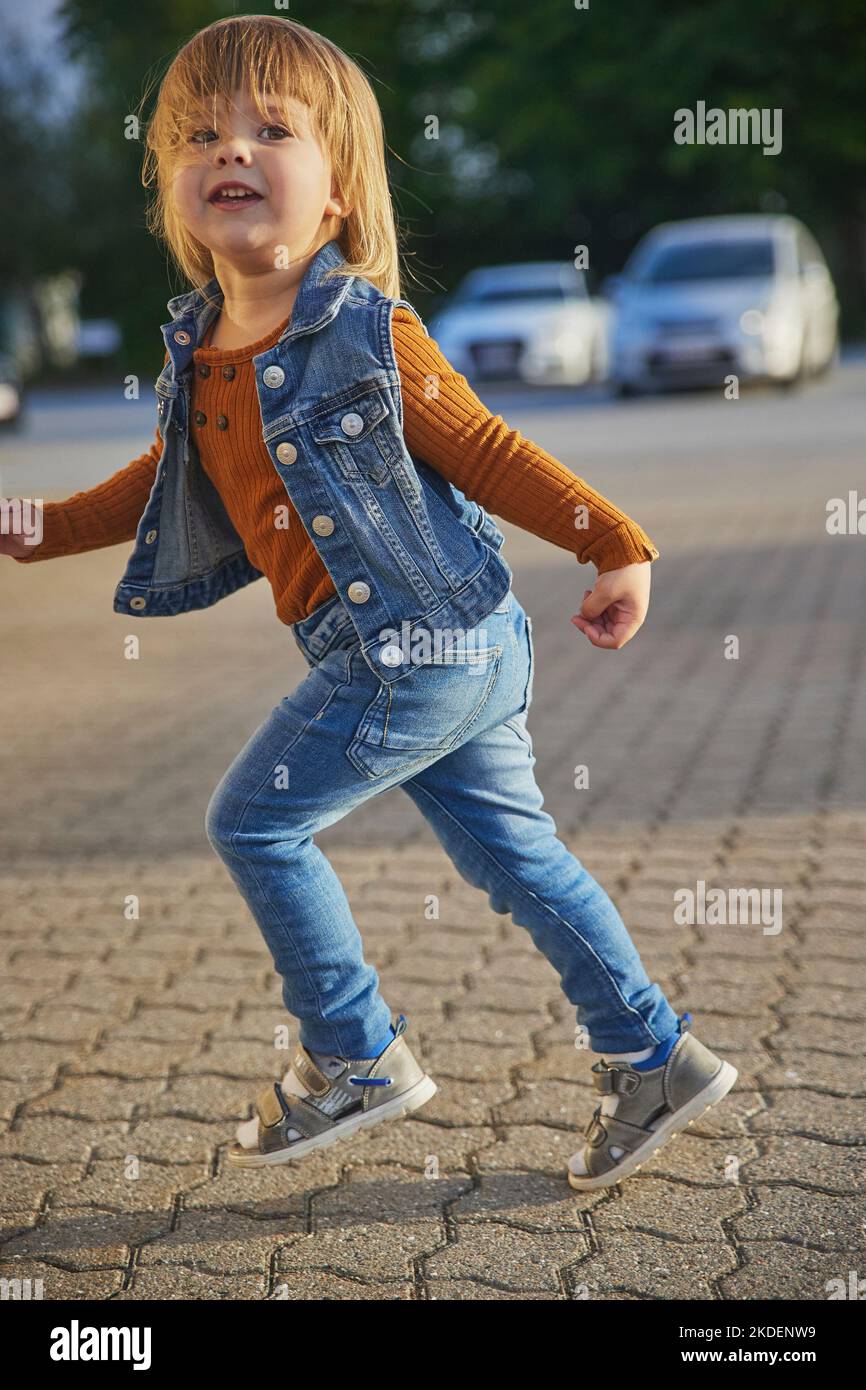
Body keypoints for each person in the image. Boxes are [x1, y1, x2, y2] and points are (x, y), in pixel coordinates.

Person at [1, 14, 736, 1190]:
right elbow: (156, 488)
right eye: (198, 135)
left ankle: (352, 1055)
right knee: (520, 864)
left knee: (253, 820)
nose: (227, 148)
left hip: (420, 651)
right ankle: (651, 1054)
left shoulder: (364, 329)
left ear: (337, 194)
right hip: (444, 653)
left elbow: (484, 448)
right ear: (171, 192)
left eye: (269, 130)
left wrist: (615, 542)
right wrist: (32, 530)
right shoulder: (201, 352)